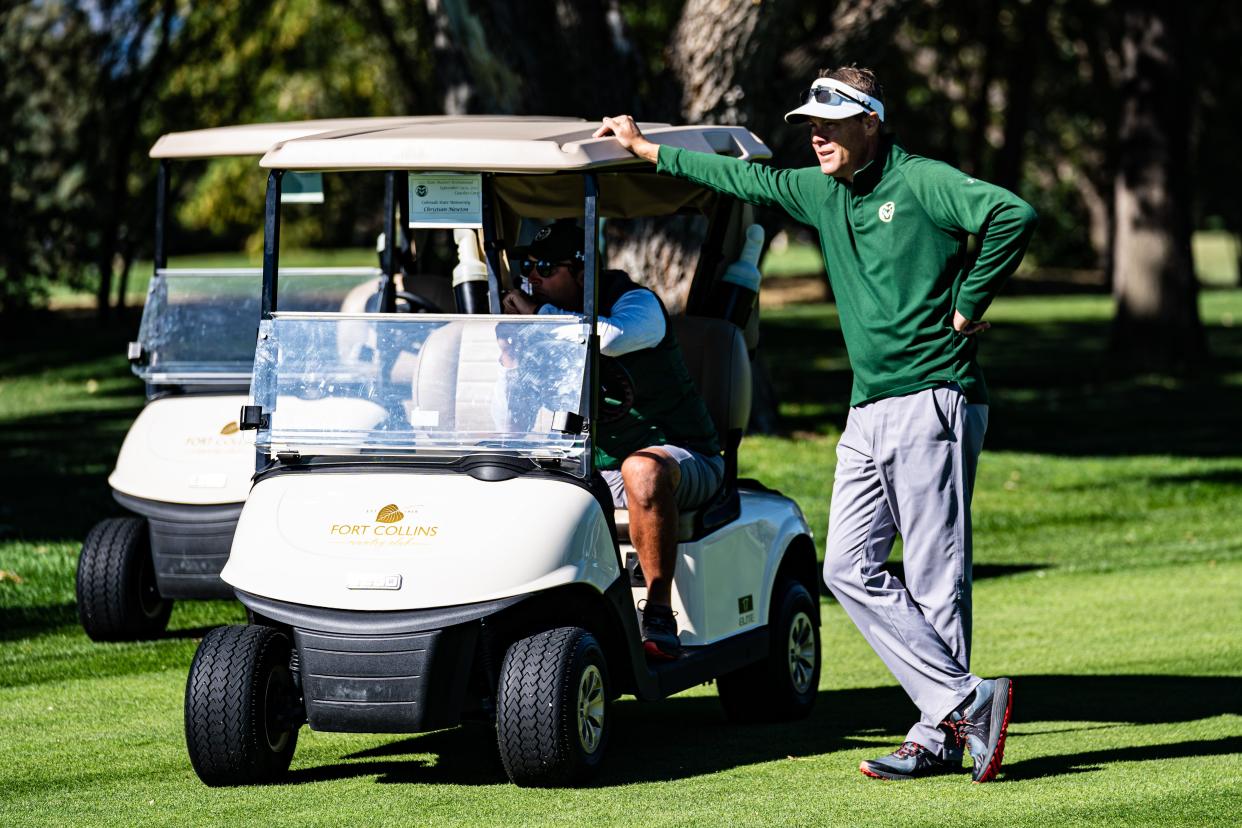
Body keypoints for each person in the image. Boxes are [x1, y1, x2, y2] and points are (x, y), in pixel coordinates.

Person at [595, 66, 1037, 783]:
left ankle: (941, 732)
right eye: (811, 125)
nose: (817, 136)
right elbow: (742, 182)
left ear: (871, 122)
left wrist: (968, 303)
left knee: (933, 574)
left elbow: (1012, 215)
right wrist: (648, 152)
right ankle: (961, 701)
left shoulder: (921, 181)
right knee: (847, 566)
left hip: (934, 395)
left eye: (831, 124)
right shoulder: (820, 188)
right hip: (868, 408)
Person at [500, 221, 724, 661]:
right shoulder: (547, 323)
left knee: (640, 470)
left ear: (583, 273)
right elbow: (511, 421)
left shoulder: (637, 304)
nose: (535, 278)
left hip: (683, 459)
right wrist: (511, 361)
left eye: (546, 267)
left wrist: (541, 320)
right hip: (597, 467)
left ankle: (658, 610)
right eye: (529, 266)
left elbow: (611, 337)